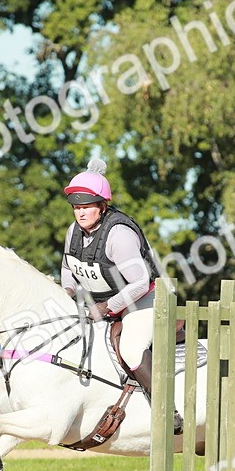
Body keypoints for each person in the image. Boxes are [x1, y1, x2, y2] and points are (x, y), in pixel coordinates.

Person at [60, 158, 181, 433]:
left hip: (148, 297)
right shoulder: (73, 232)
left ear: (102, 206)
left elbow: (139, 282)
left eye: (87, 207)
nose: (80, 213)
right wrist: (67, 293)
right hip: (110, 300)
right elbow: (68, 268)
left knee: (130, 348)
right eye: (76, 207)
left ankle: (167, 409)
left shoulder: (119, 234)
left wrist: (105, 308)